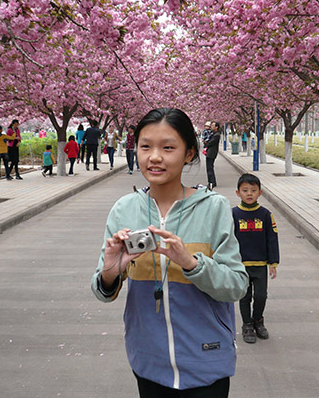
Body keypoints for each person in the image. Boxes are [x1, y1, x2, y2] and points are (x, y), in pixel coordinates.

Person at [91, 108, 248, 397]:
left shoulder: (214, 208)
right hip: (147, 361)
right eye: (145, 146)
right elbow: (103, 291)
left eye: (168, 147)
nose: (154, 157)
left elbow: (237, 286)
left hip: (207, 361)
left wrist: (190, 263)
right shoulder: (124, 209)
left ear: (189, 153)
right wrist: (112, 269)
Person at [232, 173, 279, 344]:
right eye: (245, 190)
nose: (249, 193)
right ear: (238, 193)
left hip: (260, 265)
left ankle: (258, 320)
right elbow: (228, 240)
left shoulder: (266, 215)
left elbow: (272, 239)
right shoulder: (234, 214)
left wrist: (273, 263)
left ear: (260, 193)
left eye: (253, 190)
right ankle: (247, 325)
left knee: (261, 296)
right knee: (244, 297)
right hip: (241, 265)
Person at [203, 121, 221, 189]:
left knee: (210, 168)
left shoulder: (217, 135)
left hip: (212, 153)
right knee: (209, 168)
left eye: (213, 126)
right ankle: (211, 181)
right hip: (209, 153)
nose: (211, 127)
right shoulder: (213, 133)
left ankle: (212, 182)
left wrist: (206, 143)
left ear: (216, 127)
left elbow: (210, 143)